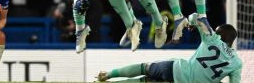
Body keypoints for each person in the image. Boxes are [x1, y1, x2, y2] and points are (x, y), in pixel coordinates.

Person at [97, 14, 242, 83]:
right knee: (144, 82)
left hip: (175, 69)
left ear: (219, 33)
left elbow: (195, 16)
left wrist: (191, 24)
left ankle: (107, 75)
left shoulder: (212, 38)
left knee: (144, 68)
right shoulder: (237, 63)